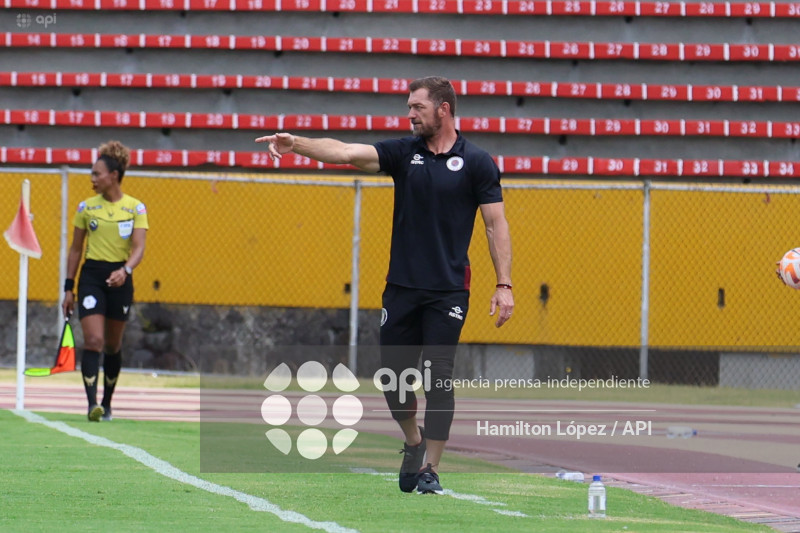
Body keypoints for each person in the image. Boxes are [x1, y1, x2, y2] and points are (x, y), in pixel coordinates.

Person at [256, 76, 514, 494]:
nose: (409, 113)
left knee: (438, 376)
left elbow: (495, 224)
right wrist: (297, 144)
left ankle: (431, 467)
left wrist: (504, 284)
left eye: (417, 106)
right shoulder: (402, 152)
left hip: (448, 291)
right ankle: (412, 441)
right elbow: (344, 152)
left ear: (443, 109)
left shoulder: (477, 162)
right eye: (409, 106)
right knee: (394, 382)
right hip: (402, 289)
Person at [62, 140, 148, 422]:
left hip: (120, 279)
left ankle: (107, 403)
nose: (92, 179)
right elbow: (75, 249)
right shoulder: (86, 207)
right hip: (92, 278)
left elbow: (138, 248)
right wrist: (68, 288)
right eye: (92, 173)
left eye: (97, 174)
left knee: (112, 345)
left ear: (113, 176)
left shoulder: (135, 208)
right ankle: (91, 406)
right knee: (94, 340)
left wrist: (126, 271)